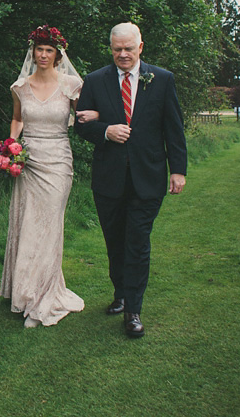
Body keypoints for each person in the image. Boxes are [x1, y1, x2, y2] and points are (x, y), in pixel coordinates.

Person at [74, 22, 187, 338]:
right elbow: (81, 125)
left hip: (148, 177)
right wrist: (106, 130)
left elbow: (173, 129)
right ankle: (120, 293)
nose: (122, 55)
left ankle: (134, 310)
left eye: (128, 48)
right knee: (115, 240)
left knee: (137, 241)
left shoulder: (162, 80)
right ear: (111, 49)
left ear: (140, 47)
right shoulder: (96, 81)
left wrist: (178, 170)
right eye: (116, 49)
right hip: (108, 178)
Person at [0, 24, 86, 328]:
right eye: (40, 49)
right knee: (28, 224)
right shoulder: (20, 87)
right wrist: (10, 147)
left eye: (50, 50)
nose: (44, 54)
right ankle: (24, 291)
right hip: (29, 161)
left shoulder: (73, 86)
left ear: (58, 54)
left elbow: (87, 116)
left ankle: (44, 298)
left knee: (49, 225)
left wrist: (100, 120)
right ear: (33, 52)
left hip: (59, 162)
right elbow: (17, 119)